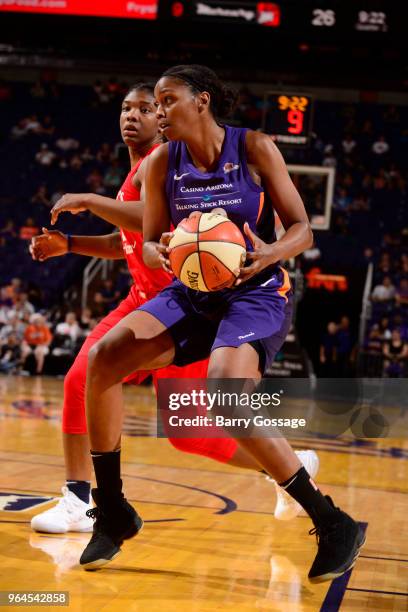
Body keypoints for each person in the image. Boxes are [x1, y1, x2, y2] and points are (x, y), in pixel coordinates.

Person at [73, 66, 364, 581]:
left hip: (256, 290)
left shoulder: (254, 148)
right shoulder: (161, 163)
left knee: (226, 399)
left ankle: (331, 520)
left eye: (167, 101)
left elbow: (302, 228)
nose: (159, 111)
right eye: (153, 103)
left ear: (201, 100)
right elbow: (146, 237)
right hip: (192, 291)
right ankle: (113, 509)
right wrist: (157, 250)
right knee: (103, 359)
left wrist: (271, 251)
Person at [30, 82, 317, 535]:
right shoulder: (137, 172)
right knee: (80, 380)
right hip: (141, 301)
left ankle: (285, 468)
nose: (135, 116)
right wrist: (69, 244)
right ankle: (79, 498)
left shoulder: (166, 162)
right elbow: (126, 242)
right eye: (128, 107)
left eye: (149, 108)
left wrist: (90, 201)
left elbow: (152, 220)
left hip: (189, 303)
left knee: (190, 434)